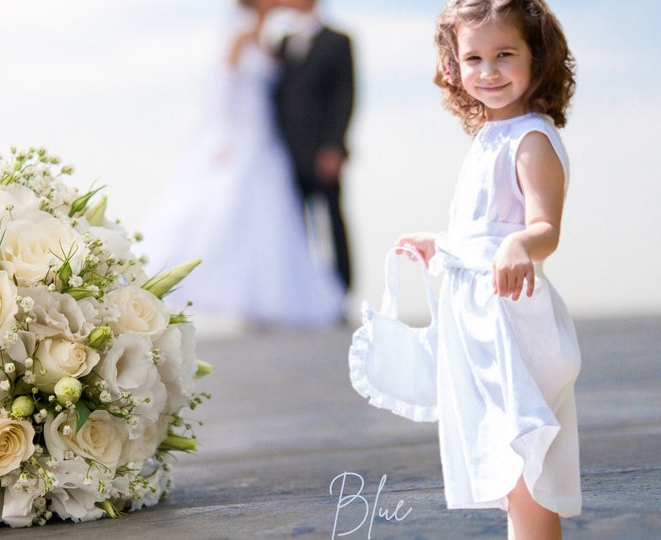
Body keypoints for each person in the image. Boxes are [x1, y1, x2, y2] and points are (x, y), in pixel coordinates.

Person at [369, 1, 580, 538]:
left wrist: (518, 246)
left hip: (510, 318)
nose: (488, 72)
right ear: (453, 65)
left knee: (522, 451)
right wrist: (440, 246)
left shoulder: (531, 139)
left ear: (539, 58)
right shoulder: (490, 136)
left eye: (505, 55)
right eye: (474, 58)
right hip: (479, 322)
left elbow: (544, 229)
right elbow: (482, 230)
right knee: (500, 457)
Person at [143, 0, 345, 328]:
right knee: (223, 211)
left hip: (267, 138)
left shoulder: (271, 39)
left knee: (269, 219)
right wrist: (222, 136)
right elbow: (222, 87)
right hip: (241, 136)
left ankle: (264, 298)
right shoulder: (238, 33)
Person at [272, 0, 355, 293]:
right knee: (292, 227)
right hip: (285, 154)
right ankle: (301, 294)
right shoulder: (280, 45)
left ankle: (341, 291)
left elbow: (345, 97)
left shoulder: (339, 41)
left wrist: (334, 146)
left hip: (323, 152)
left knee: (332, 222)